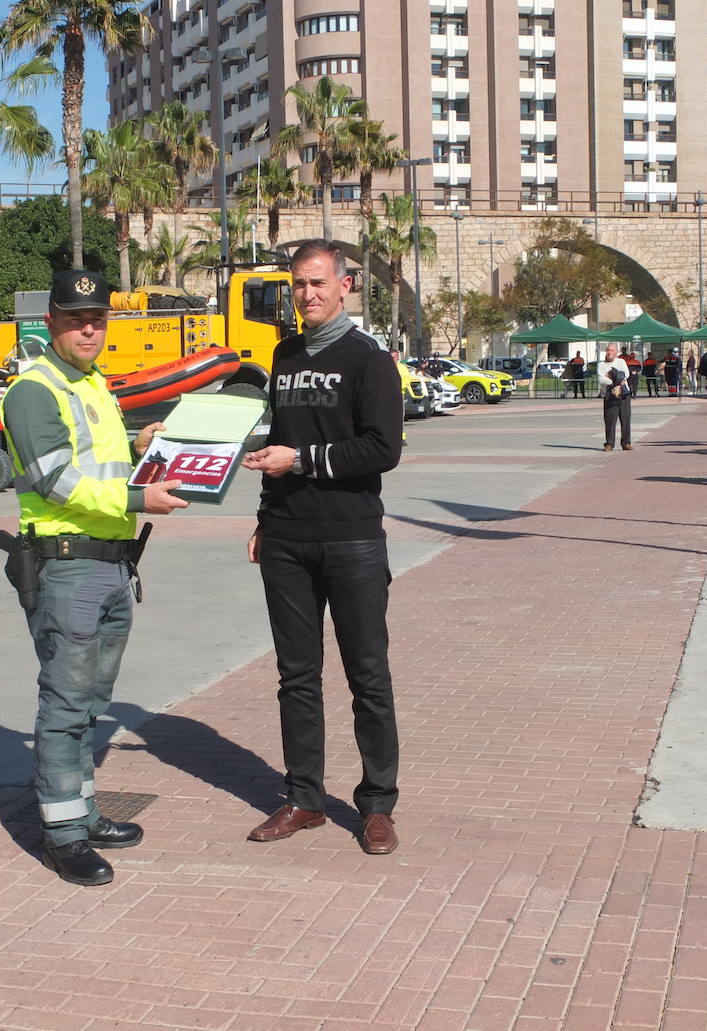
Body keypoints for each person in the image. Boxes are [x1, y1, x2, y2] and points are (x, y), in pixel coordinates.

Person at [0, 268, 188, 887]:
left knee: (90, 703)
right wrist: (137, 501)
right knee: (65, 702)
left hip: (108, 564)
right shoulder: (35, 388)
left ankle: (81, 811)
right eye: (76, 318)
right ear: (50, 322)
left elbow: (96, 464)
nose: (88, 328)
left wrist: (142, 449)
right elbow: (56, 480)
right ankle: (63, 836)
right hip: (67, 565)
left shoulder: (93, 384)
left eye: (98, 319)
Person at [242, 239, 404, 857]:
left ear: (345, 285)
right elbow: (279, 442)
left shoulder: (369, 360)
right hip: (286, 538)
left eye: (317, 283)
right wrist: (263, 517)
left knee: (369, 677)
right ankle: (304, 797)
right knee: (296, 677)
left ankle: (378, 805)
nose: (307, 295)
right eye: (298, 285)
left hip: (353, 538)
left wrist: (301, 461)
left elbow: (381, 448)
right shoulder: (282, 356)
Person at [597, 343, 631, 451]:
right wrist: (615, 379)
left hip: (623, 394)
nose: (609, 352)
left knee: (625, 418)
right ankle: (609, 443)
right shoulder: (601, 365)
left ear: (616, 352)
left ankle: (626, 443)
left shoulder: (621, 362)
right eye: (608, 350)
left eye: (612, 350)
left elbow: (625, 374)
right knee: (610, 420)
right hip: (609, 395)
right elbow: (602, 379)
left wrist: (611, 376)